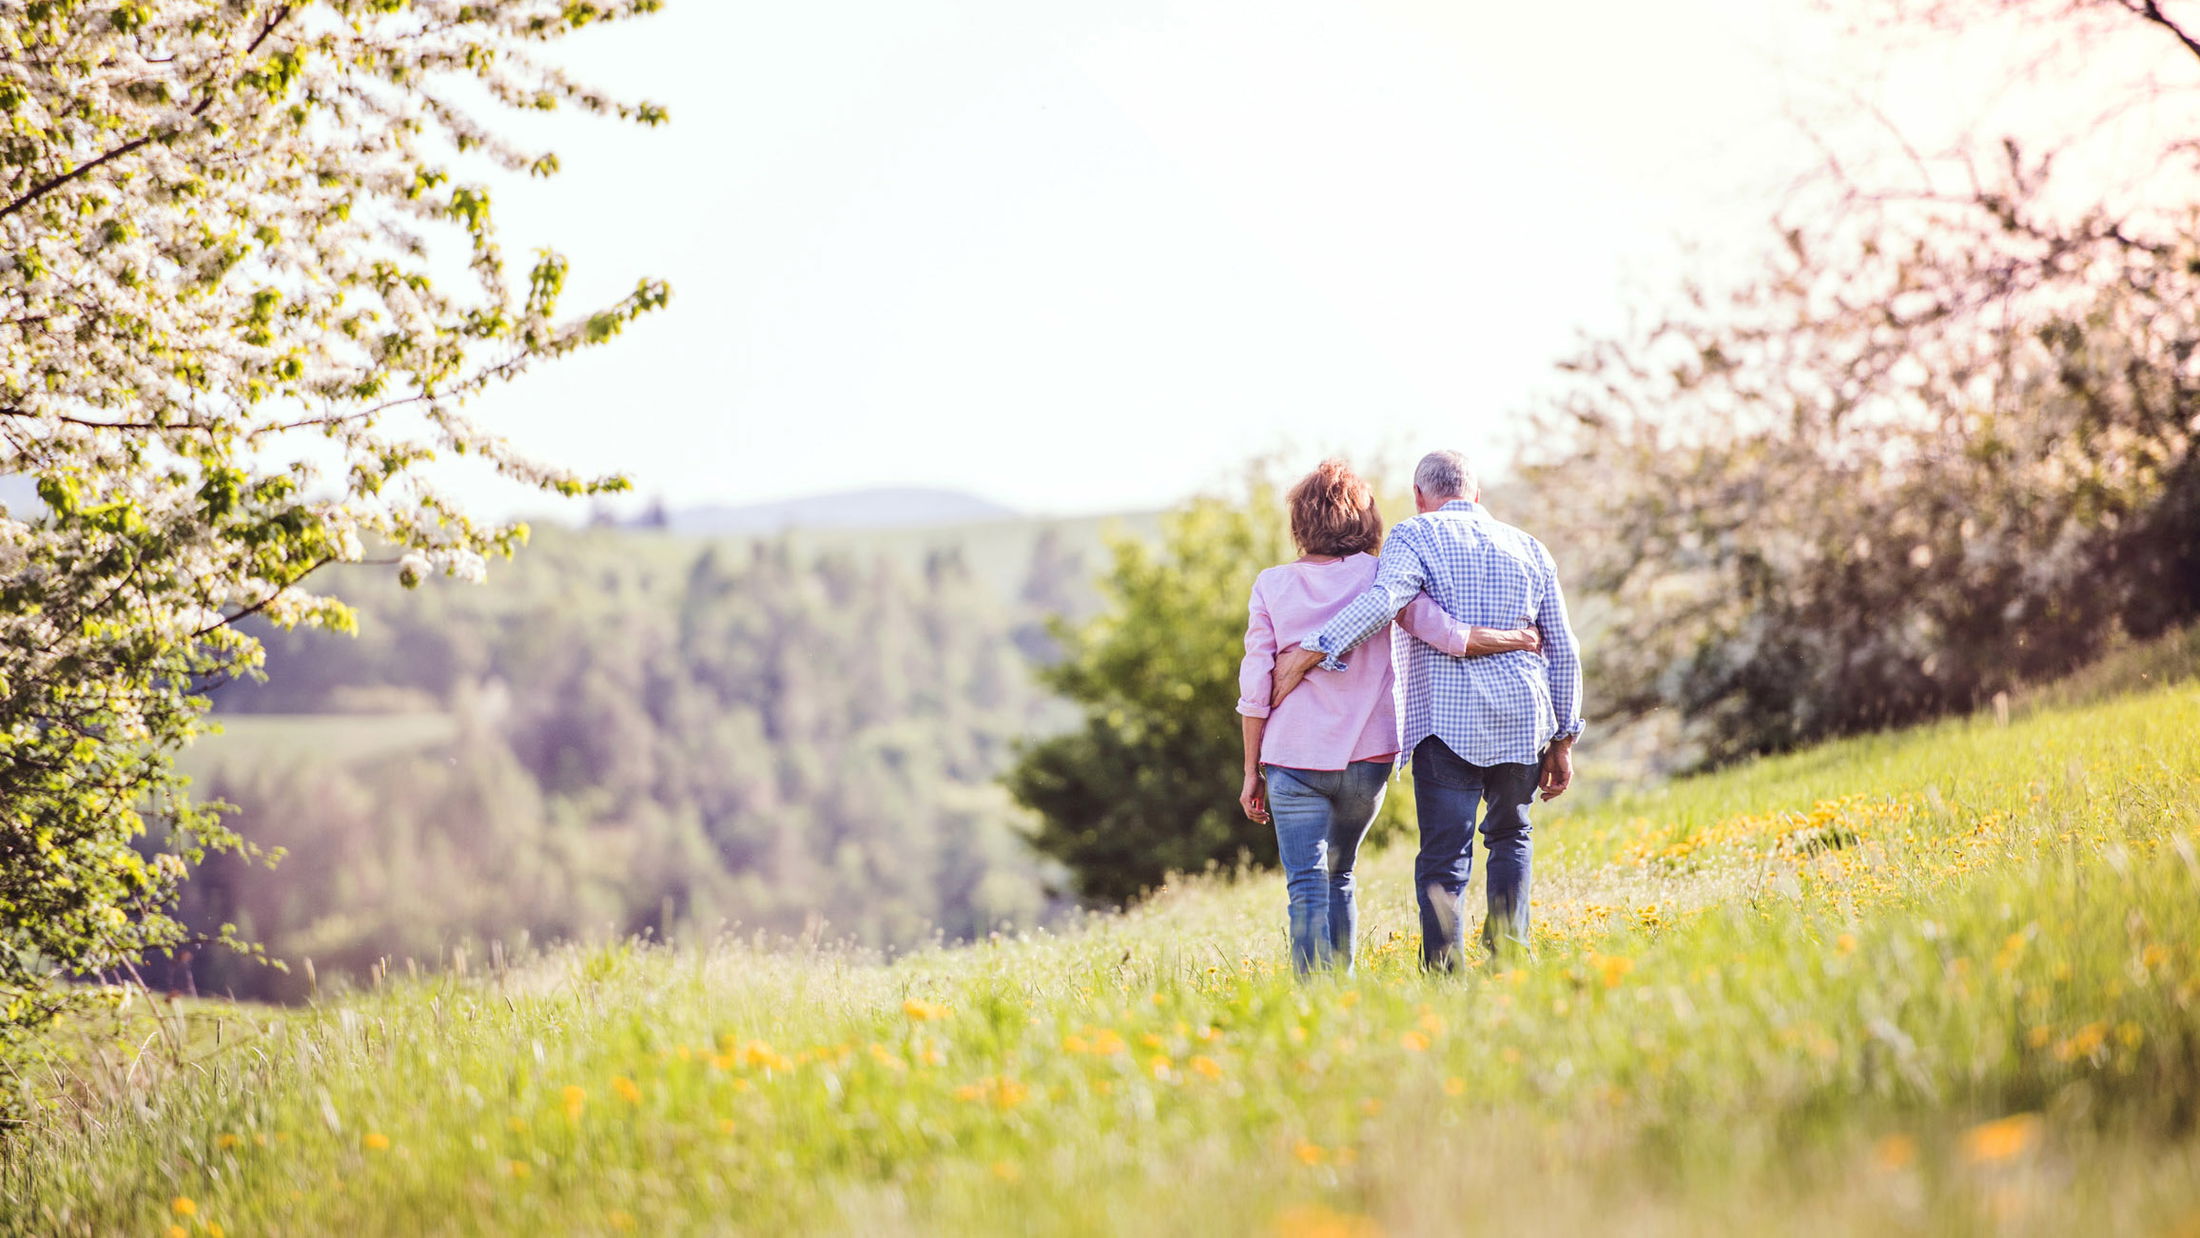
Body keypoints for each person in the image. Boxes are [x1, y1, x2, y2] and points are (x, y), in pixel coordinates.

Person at [1271, 450, 1582, 970]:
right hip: (1525, 719)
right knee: (1512, 835)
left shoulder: (1413, 535)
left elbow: (1385, 600)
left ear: (1419, 496)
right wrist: (1565, 735)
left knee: (1444, 855)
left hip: (1446, 723)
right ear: (1476, 493)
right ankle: (1510, 955)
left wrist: (1311, 651)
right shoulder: (1531, 547)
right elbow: (1563, 646)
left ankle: (1443, 969)